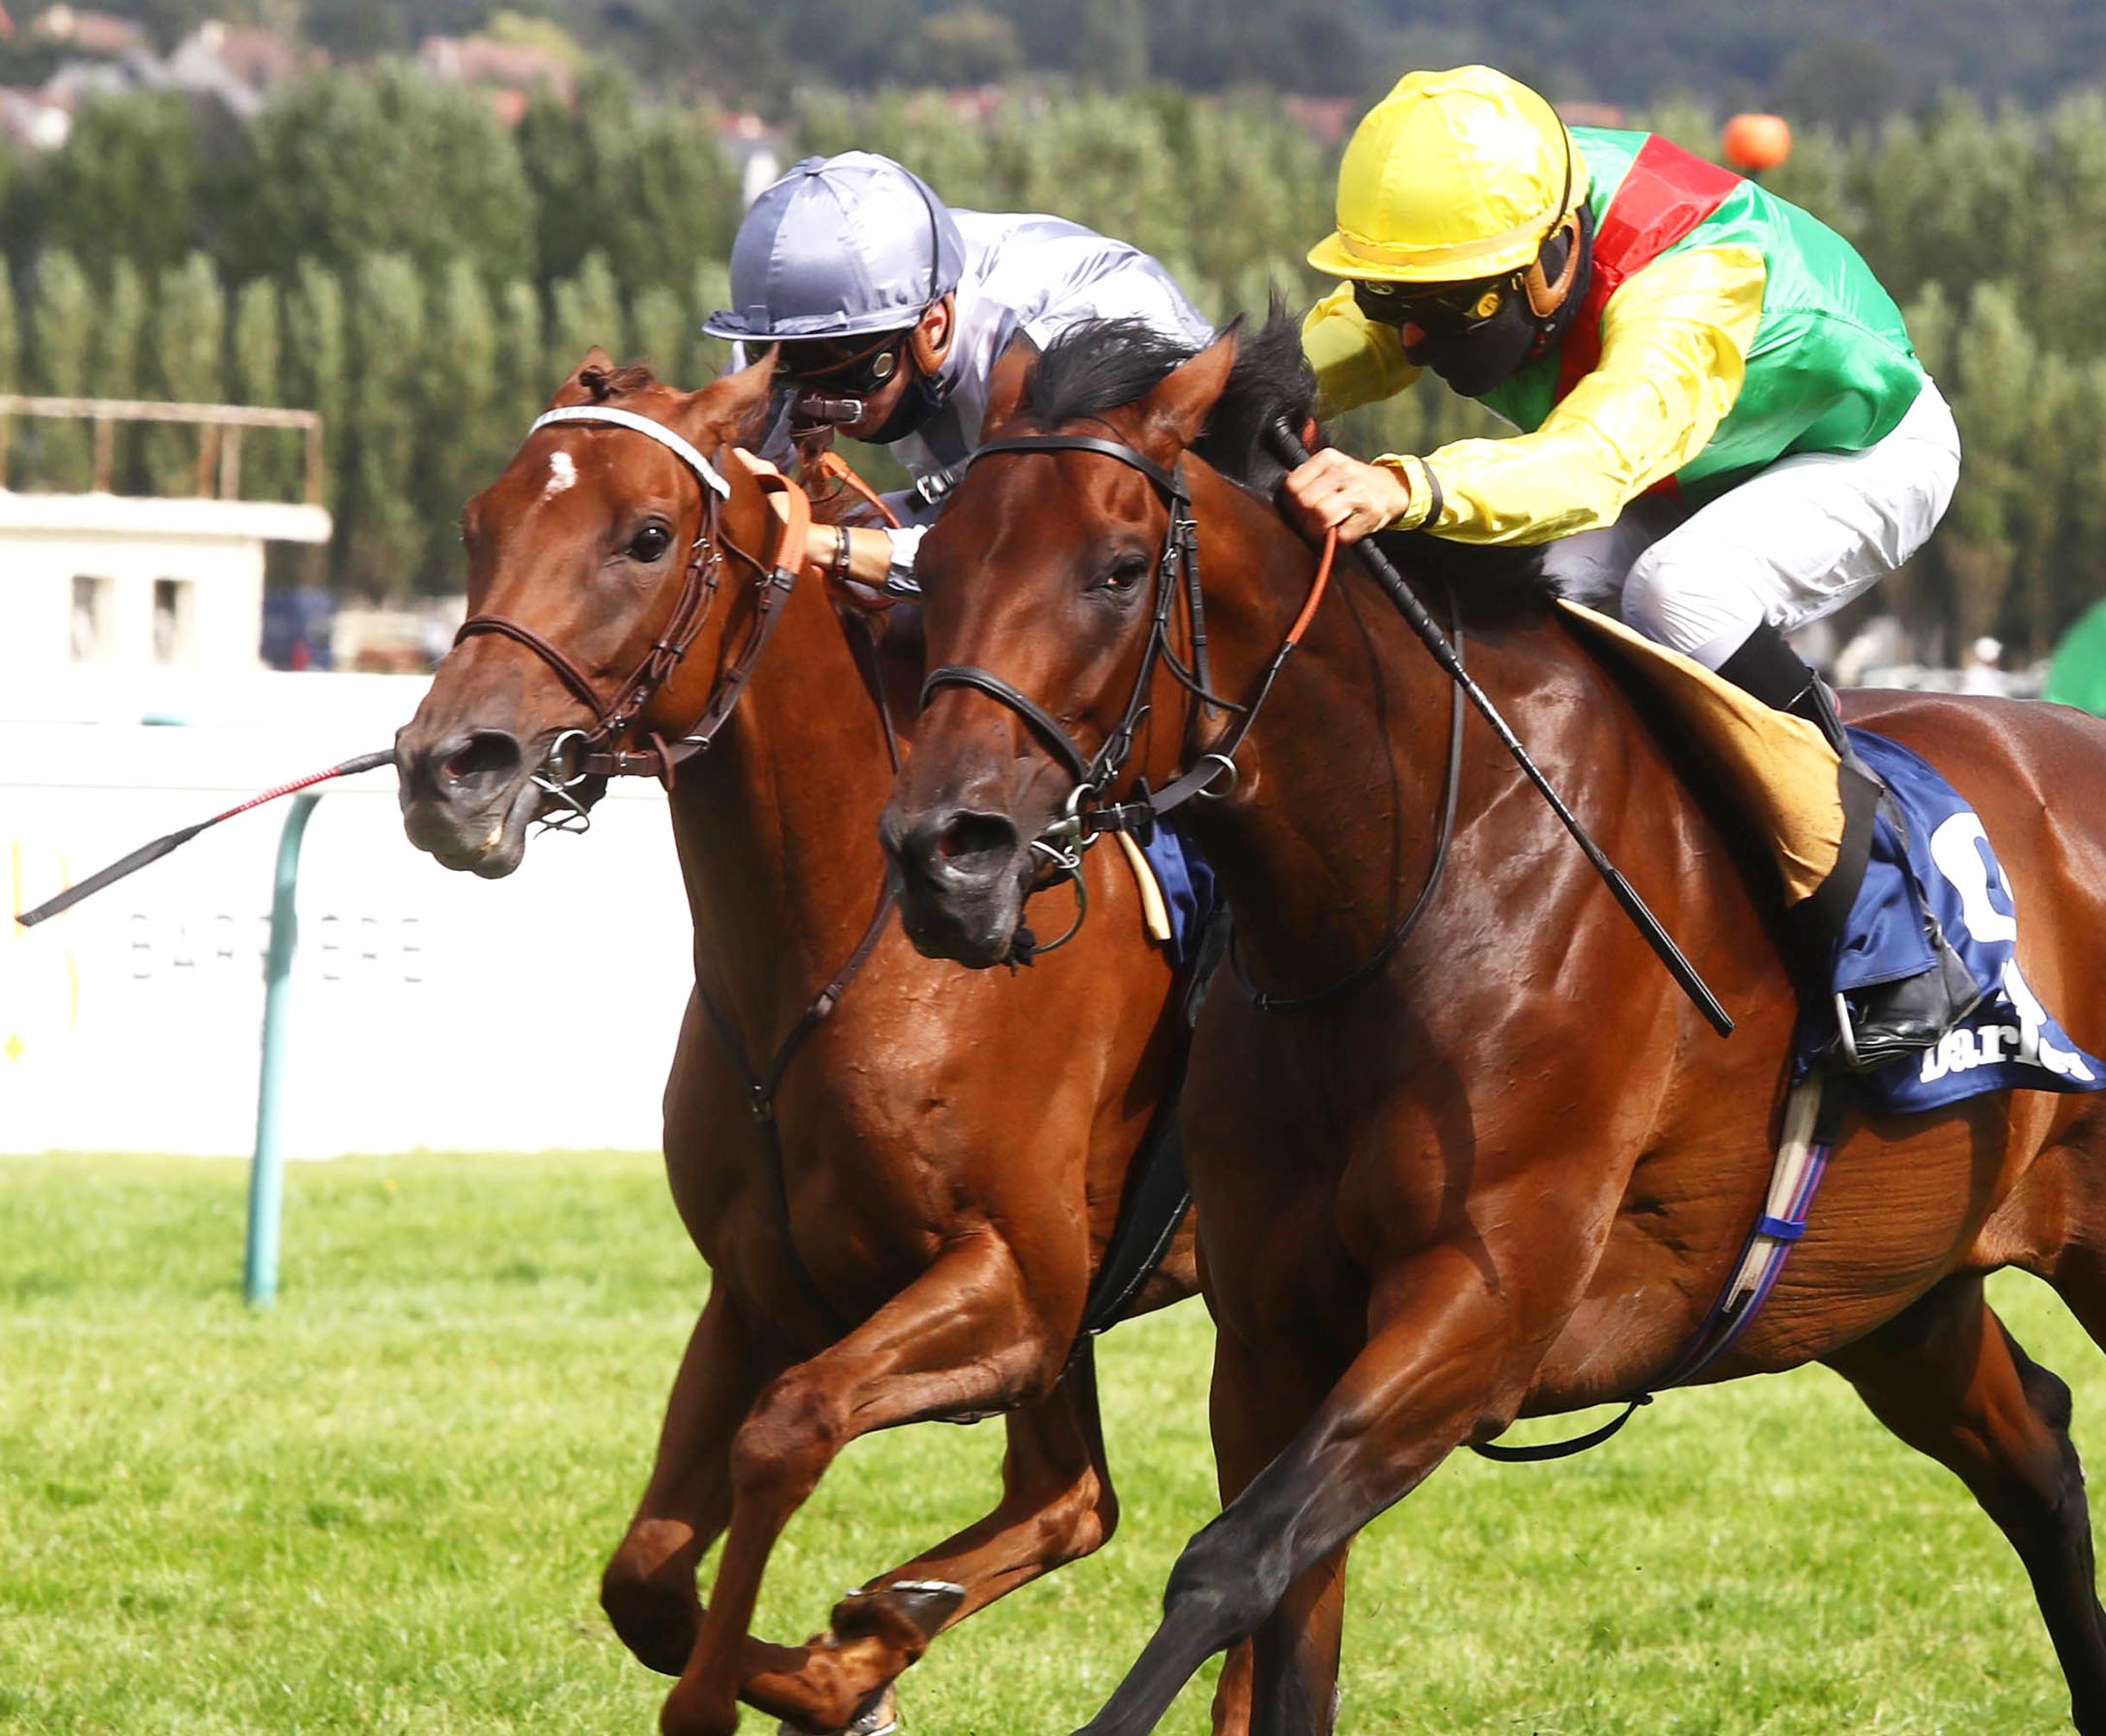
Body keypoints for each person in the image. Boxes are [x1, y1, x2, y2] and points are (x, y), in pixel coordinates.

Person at [1286, 68, 1962, 1067]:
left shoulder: (1689, 280)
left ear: (1550, 262)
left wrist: (1405, 484)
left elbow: (1593, 462)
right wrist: (1220, 393)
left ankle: (1892, 917)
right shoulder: (1484, 226)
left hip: (1859, 450)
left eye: (1449, 310)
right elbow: (1353, 341)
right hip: (1688, 463)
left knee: (1681, 593)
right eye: (1401, 301)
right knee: (1538, 600)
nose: (1417, 337)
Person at [705, 152, 1210, 584]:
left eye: (848, 375)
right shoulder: (791, 329)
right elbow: (720, 500)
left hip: (1156, 530)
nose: (821, 404)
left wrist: (816, 541)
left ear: (933, 328)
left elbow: (1020, 558)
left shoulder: (1036, 348)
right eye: (792, 373)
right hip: (989, 493)